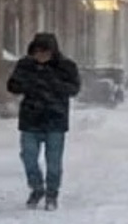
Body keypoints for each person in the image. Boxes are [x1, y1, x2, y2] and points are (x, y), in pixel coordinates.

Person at [6, 33, 82, 209]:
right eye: (37, 52)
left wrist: (52, 84)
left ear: (52, 52)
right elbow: (12, 86)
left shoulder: (66, 67)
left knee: (53, 161)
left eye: (44, 52)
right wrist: (29, 83)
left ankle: (52, 193)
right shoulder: (25, 65)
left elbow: (74, 88)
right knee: (28, 156)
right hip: (30, 119)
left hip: (55, 119)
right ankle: (37, 187)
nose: (40, 56)